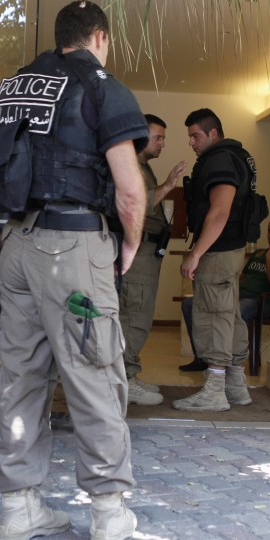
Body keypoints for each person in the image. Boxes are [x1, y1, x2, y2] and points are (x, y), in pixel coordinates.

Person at [0, 0, 148, 540]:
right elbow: (128, 188)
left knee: (21, 373)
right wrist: (129, 244)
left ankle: (18, 507)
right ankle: (107, 512)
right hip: (73, 247)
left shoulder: (17, 85)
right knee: (94, 369)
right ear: (99, 36)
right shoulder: (101, 85)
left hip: (17, 244)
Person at [172, 109, 255, 412]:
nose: (191, 142)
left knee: (212, 315)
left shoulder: (219, 160)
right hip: (231, 249)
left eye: (196, 135)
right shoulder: (238, 156)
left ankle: (215, 391)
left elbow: (219, 211)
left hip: (218, 250)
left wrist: (195, 254)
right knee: (229, 314)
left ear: (213, 134)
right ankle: (236, 386)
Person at [118, 114, 187, 405]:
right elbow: (139, 205)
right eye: (157, 137)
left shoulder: (141, 166)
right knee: (135, 316)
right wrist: (170, 185)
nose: (162, 143)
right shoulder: (132, 165)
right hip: (137, 254)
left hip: (144, 252)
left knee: (133, 315)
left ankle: (125, 375)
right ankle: (124, 380)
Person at [181, 217, 270, 366]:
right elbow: (239, 277)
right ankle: (202, 358)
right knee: (189, 304)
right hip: (237, 296)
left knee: (235, 313)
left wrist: (269, 257)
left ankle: (227, 362)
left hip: (259, 302)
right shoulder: (258, 254)